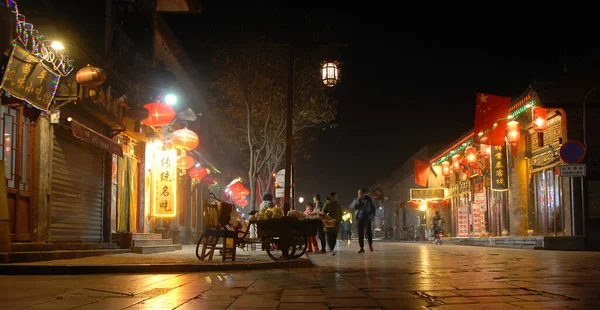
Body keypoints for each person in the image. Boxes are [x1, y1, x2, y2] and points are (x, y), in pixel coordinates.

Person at [350, 188, 377, 253]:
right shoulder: (356, 199)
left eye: (361, 193)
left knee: (368, 232)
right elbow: (351, 206)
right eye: (359, 193)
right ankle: (361, 248)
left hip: (367, 217)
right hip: (359, 218)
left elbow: (373, 207)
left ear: (364, 194)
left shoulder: (369, 199)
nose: (360, 195)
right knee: (360, 233)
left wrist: (373, 215)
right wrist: (357, 202)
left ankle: (370, 244)